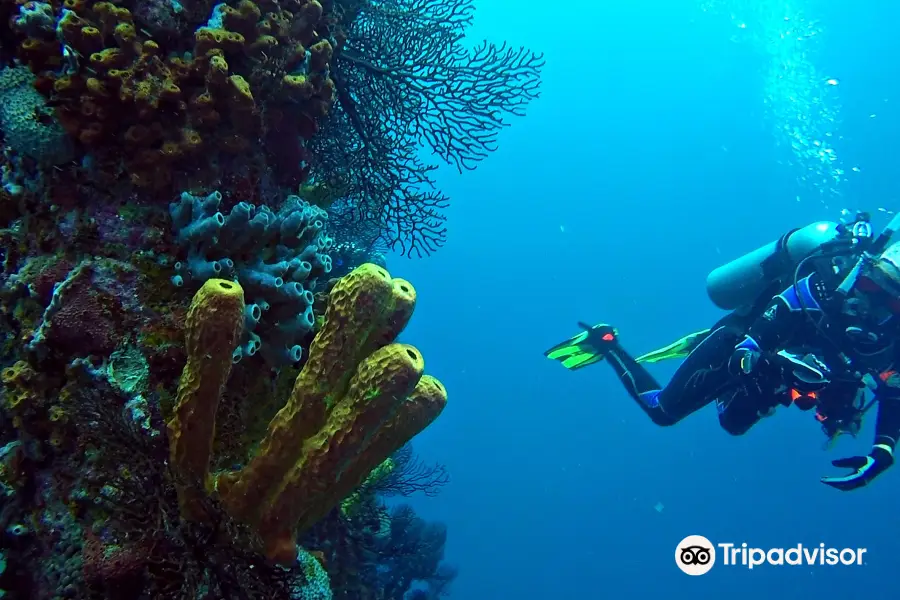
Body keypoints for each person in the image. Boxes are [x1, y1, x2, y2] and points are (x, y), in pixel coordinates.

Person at [545, 213, 900, 490]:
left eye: (890, 301)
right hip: (747, 334)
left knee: (735, 424)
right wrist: (770, 363)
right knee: (664, 412)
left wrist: (883, 451)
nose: (872, 304)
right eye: (871, 285)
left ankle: (739, 370)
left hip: (794, 360)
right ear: (863, 271)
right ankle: (607, 342)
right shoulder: (828, 282)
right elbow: (752, 343)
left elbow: (893, 391)